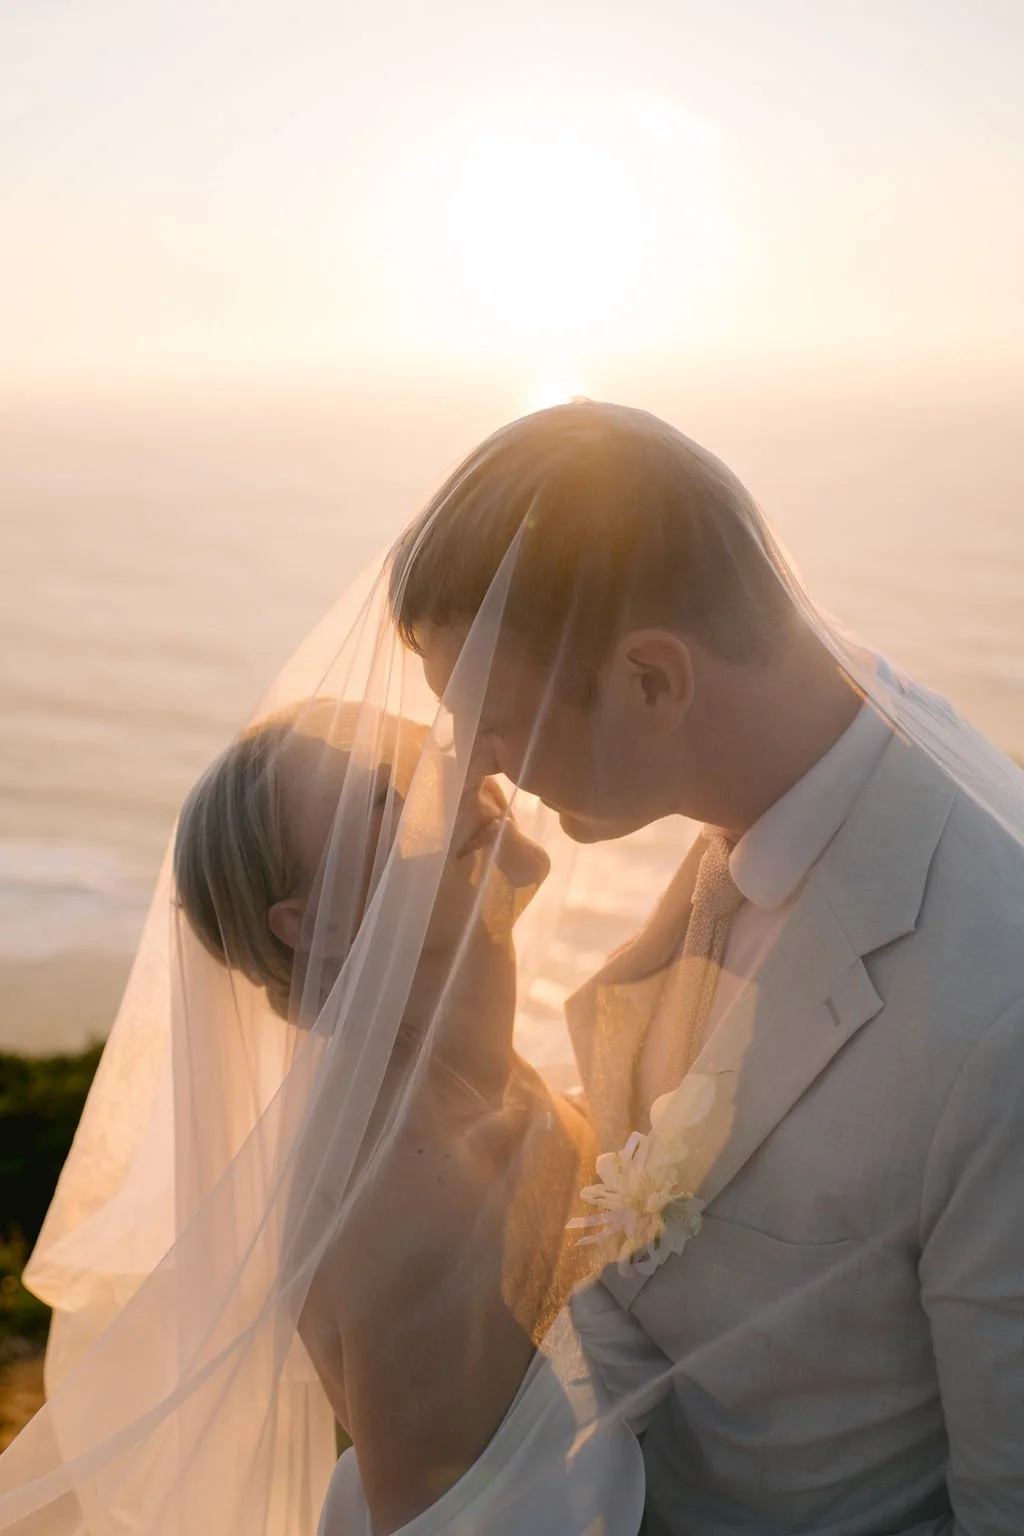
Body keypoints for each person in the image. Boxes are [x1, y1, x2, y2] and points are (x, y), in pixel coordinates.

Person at [386, 400, 1024, 1535]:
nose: (476, 777)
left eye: (497, 727)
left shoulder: (992, 1014)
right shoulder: (783, 788)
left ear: (652, 681)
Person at [171, 699, 644, 1536]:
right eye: (385, 795)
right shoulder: (411, 1193)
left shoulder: (478, 1092)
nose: (465, 783)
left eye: (433, 757)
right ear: (314, 925)